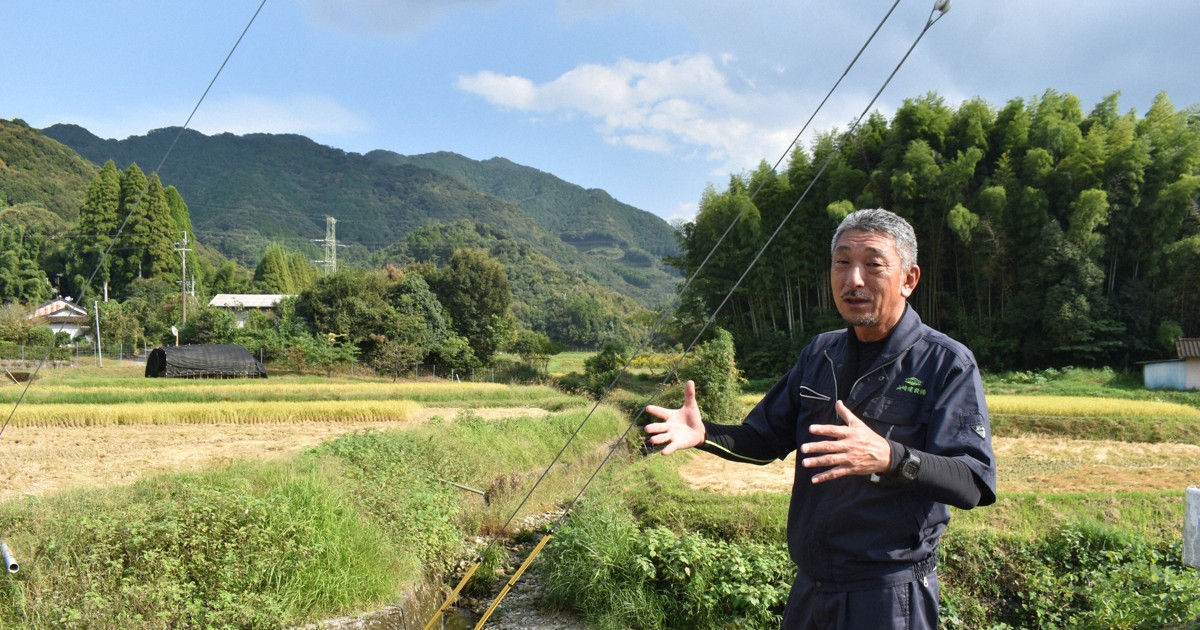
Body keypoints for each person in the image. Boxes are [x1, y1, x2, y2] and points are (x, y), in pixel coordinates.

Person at [645, 208, 996, 629]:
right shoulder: (820, 353)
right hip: (811, 591)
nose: (854, 280)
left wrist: (891, 458)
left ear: (909, 279)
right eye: (842, 263)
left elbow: (974, 482)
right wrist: (704, 434)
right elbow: (764, 440)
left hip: (888, 596)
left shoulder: (945, 363)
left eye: (873, 264)